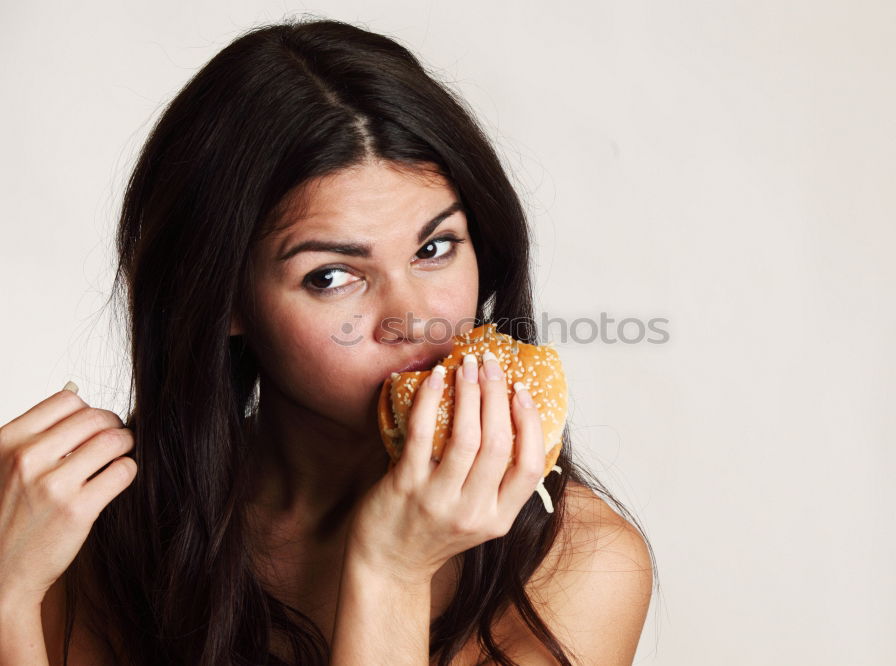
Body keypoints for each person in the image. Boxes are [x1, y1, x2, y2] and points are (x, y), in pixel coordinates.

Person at [0, 17, 656, 665]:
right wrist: (7, 604)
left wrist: (391, 571)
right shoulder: (86, 527)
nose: (416, 318)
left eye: (435, 247)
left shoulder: (582, 564)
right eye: (332, 276)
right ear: (224, 300)